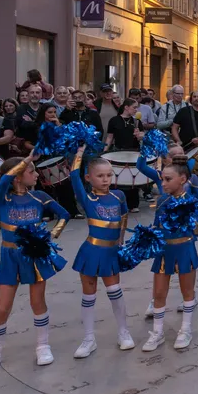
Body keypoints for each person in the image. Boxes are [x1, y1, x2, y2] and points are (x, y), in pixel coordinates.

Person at [0, 155, 69, 374]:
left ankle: (43, 346)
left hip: (35, 256)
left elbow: (64, 214)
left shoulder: (39, 197)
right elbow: (3, 182)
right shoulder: (2, 198)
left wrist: (51, 235)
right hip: (10, 256)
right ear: (17, 177)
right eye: (31, 171)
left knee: (38, 301)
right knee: (3, 306)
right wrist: (25, 160)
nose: (36, 175)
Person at [68, 146, 133, 358]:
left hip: (111, 252)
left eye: (108, 175)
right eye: (100, 176)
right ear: (88, 178)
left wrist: (121, 242)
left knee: (115, 290)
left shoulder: (119, 196)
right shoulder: (88, 199)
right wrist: (79, 153)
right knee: (89, 294)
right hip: (91, 251)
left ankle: (123, 332)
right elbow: (73, 175)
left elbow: (124, 218)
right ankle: (89, 339)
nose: (105, 180)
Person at [142, 161, 198, 352]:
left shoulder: (194, 203)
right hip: (164, 251)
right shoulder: (162, 201)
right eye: (162, 179)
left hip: (185, 249)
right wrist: (147, 237)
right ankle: (157, 333)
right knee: (159, 293)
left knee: (187, 292)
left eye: (168, 179)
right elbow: (157, 226)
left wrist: (196, 212)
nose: (163, 184)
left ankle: (185, 330)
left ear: (183, 179)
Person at [104, 98, 144, 212]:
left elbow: (142, 137)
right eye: (134, 107)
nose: (136, 110)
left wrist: (139, 135)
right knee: (119, 178)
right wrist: (105, 151)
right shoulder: (114, 120)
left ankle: (133, 204)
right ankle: (119, 202)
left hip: (133, 151)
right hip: (118, 151)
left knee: (133, 178)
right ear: (126, 107)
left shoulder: (137, 121)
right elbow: (110, 137)